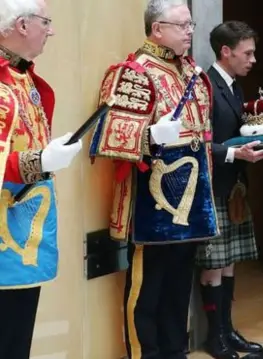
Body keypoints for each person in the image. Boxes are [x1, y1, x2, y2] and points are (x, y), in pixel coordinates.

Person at [89, 1, 218, 358]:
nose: (189, 31)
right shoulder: (135, 72)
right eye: (181, 25)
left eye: (191, 24)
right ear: (156, 29)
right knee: (148, 294)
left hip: (191, 204)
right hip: (151, 207)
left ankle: (176, 352)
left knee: (178, 292)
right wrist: (149, 137)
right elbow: (108, 132)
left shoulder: (192, 73)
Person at [0, 1, 83, 358]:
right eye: (45, 22)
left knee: (18, 331)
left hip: (23, 222)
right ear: (21, 25)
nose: (51, 30)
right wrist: (39, 160)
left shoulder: (23, 77)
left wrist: (47, 154)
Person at [196, 20, 263, 359]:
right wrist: (233, 153)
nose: (253, 59)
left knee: (229, 263)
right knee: (213, 264)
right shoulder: (205, 85)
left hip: (235, 187)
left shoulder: (234, 87)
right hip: (213, 188)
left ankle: (228, 330)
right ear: (226, 51)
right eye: (247, 53)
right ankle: (214, 337)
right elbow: (195, 142)